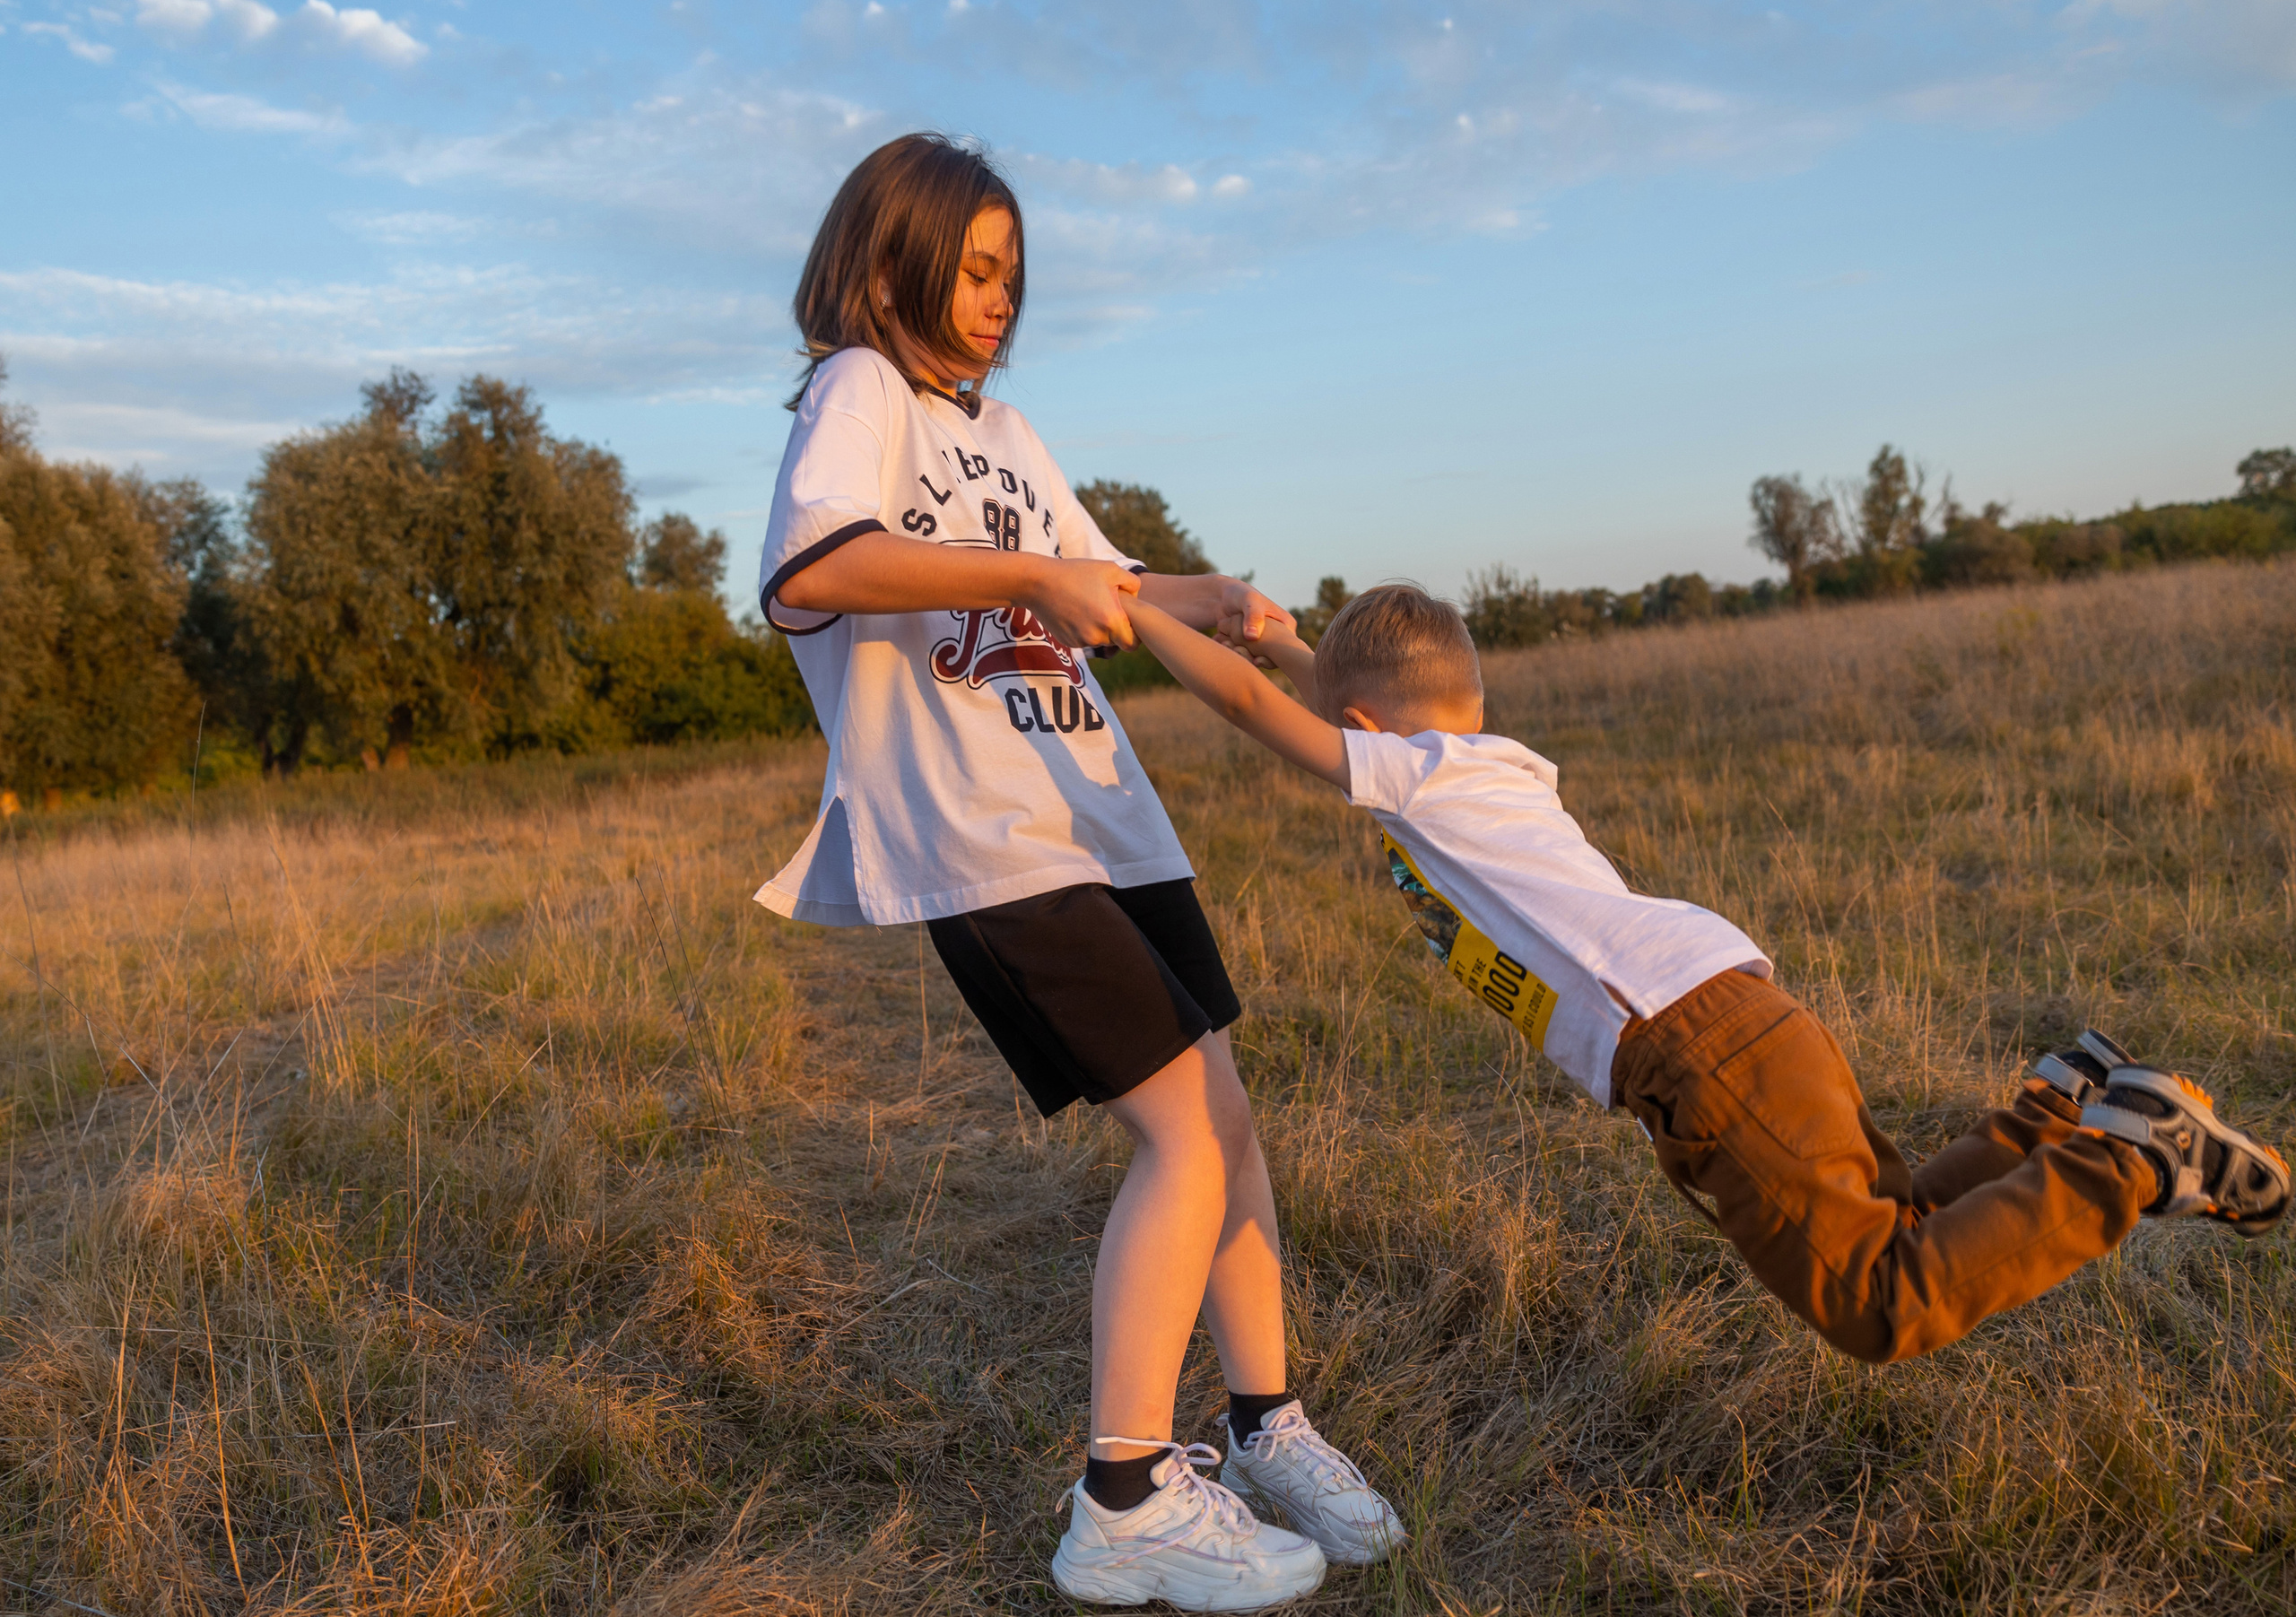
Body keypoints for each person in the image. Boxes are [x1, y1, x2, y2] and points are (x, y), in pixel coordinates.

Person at [752, 134, 1402, 1611]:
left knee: (1227, 1128)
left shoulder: (1009, 433)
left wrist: (1214, 599)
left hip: (1106, 821)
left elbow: (1102, 583)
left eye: (1013, 276)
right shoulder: (861, 392)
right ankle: (1123, 1499)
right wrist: (1029, 577)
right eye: (975, 270)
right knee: (1179, 1137)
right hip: (986, 835)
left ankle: (1265, 1431)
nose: (999, 300)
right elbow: (809, 572)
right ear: (888, 258)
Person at [1124, 583, 2290, 1365]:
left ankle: (2131, 1158)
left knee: (1878, 1304)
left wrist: (1125, 610)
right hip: (1731, 1007)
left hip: (1691, 1042)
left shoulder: (1413, 774)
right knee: (1899, 1219)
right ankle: (2056, 1111)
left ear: (1371, 723)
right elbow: (1324, 687)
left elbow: (1250, 706)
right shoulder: (1478, 759)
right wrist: (1280, 638)